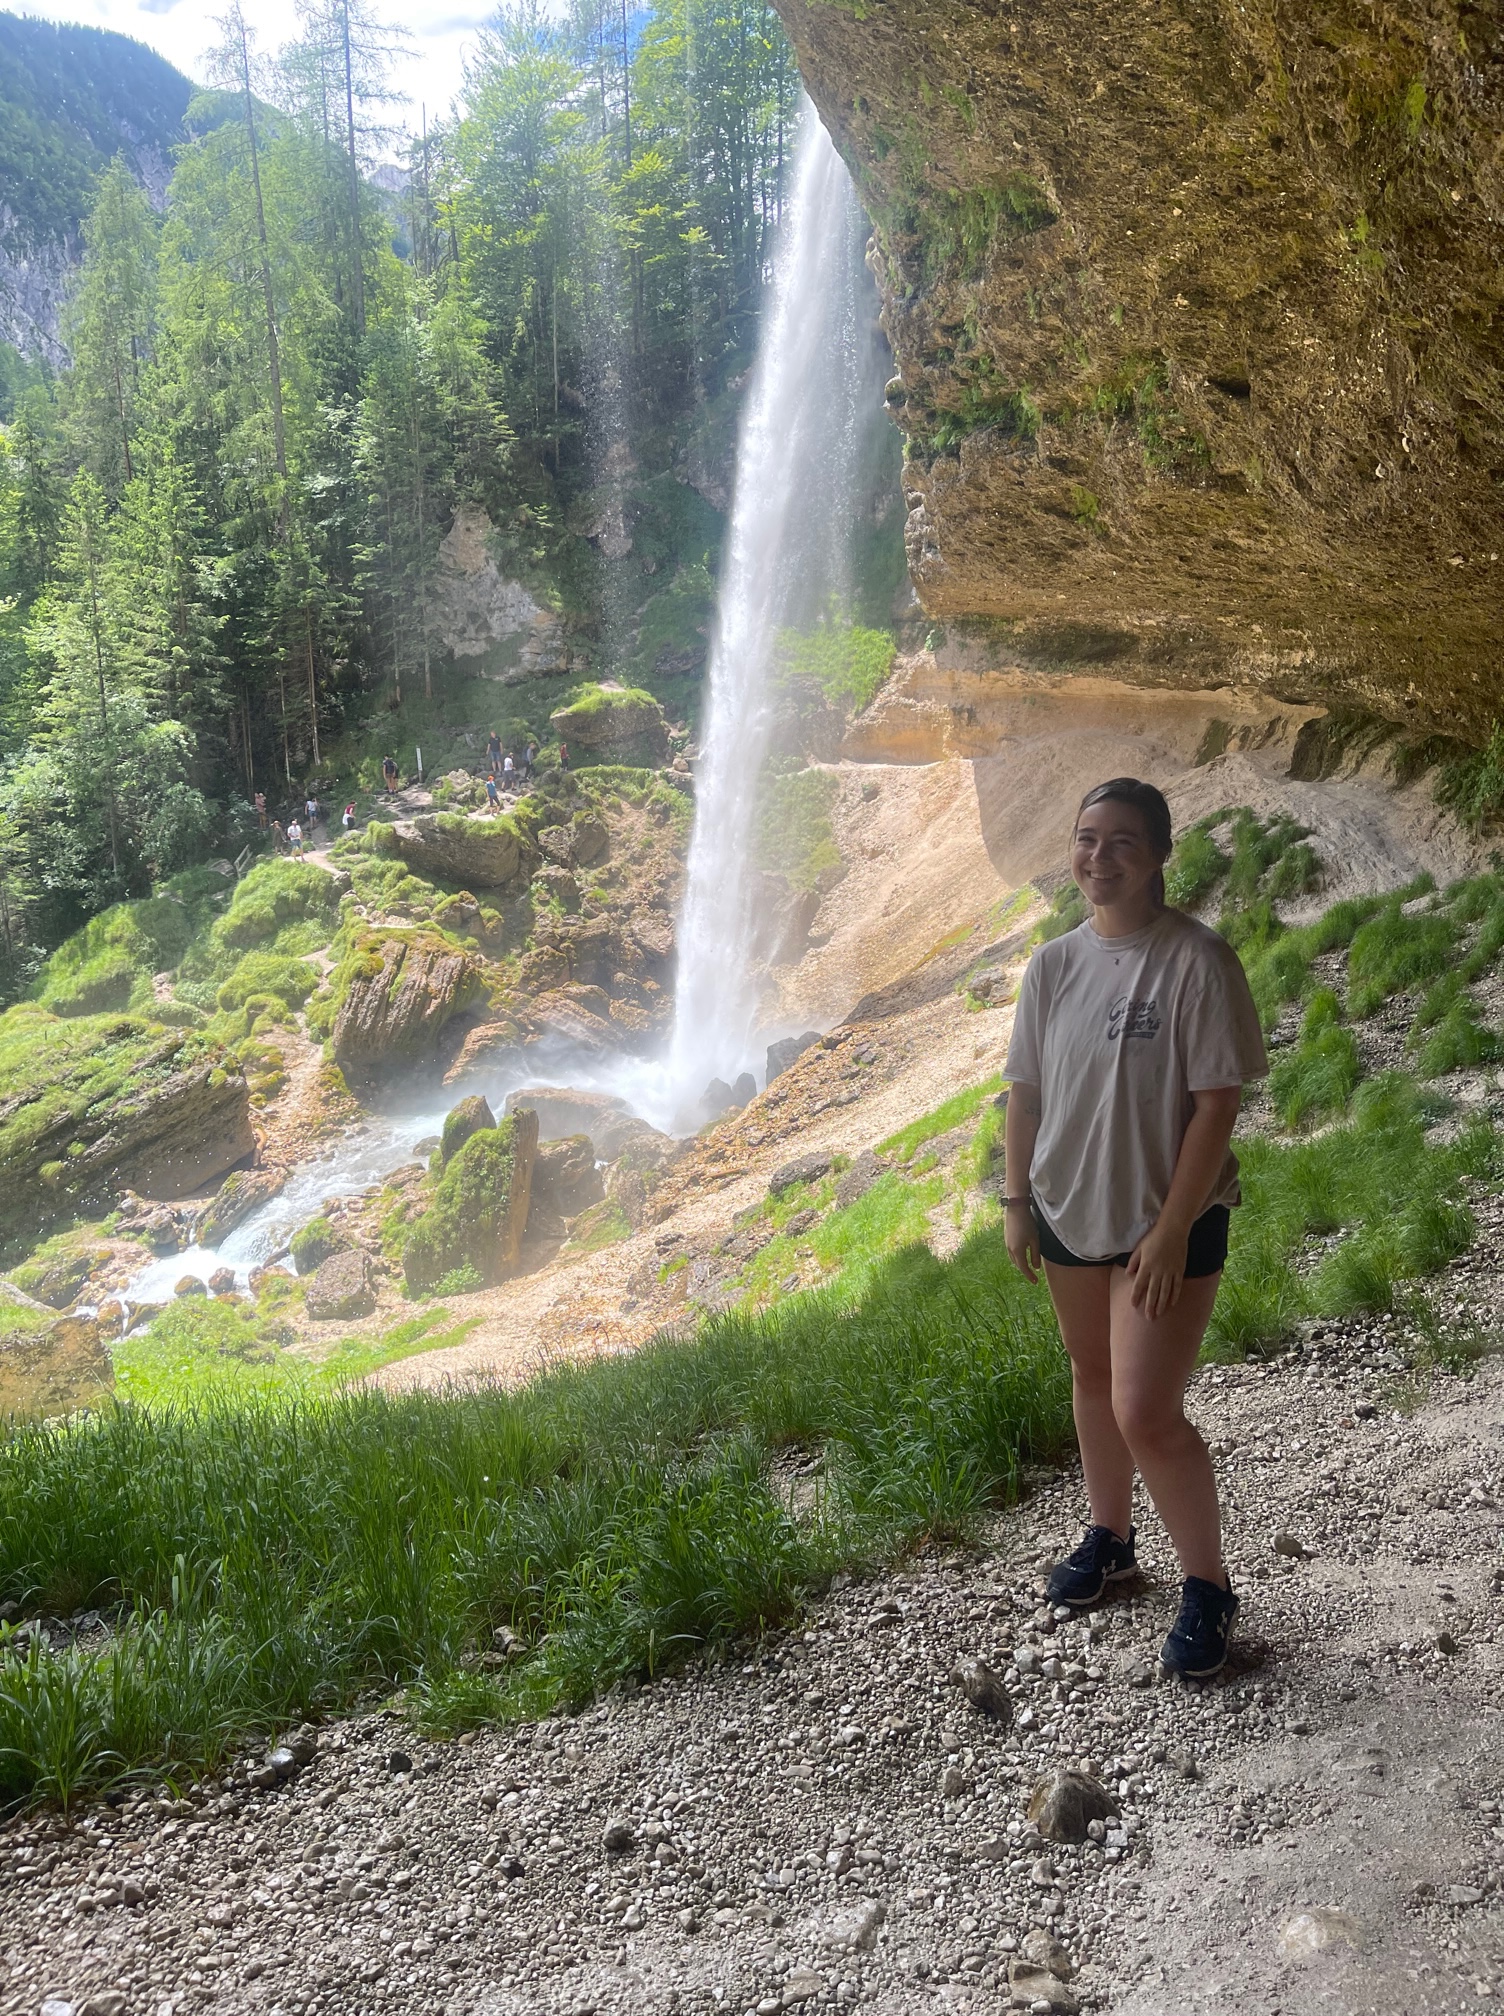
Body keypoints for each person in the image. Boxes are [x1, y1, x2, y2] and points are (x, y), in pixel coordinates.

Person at [1002, 777, 1268, 1679]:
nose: (1099, 856)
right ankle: (1111, 1540)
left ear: (1159, 853)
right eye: (1087, 838)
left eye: (1122, 840)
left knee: (1146, 1411)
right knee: (1092, 1376)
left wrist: (1172, 1227)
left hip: (1167, 1220)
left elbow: (1217, 1104)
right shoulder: (1053, 965)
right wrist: (1016, 1202)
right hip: (1067, 1205)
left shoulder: (1197, 959)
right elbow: (1025, 1094)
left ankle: (1209, 1587)